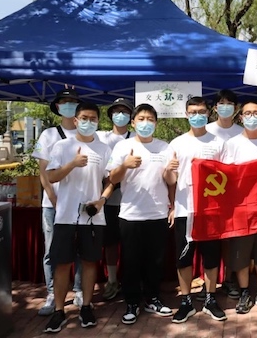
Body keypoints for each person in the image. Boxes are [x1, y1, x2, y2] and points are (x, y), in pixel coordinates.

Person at [43, 102, 113, 333]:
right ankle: (59, 311)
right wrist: (72, 164)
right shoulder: (62, 146)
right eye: (84, 118)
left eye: (93, 119)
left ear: (98, 122)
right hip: (65, 215)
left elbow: (110, 181)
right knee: (62, 263)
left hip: (92, 217)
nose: (88, 122)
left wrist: (102, 200)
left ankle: (86, 306)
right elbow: (52, 177)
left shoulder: (104, 149)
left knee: (90, 262)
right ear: (75, 120)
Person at [108, 103, 174, 325]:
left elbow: (170, 181)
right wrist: (125, 166)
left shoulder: (164, 147)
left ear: (156, 123)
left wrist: (172, 205)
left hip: (157, 213)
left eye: (150, 119)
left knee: (155, 261)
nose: (146, 123)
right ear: (133, 123)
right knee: (131, 260)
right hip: (131, 214)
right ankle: (132, 302)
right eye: (142, 119)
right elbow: (112, 179)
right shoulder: (122, 147)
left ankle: (153, 298)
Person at [165, 97, 228, 323]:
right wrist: (169, 173)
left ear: (208, 113)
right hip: (185, 210)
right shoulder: (177, 143)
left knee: (211, 257)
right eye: (193, 112)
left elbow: (228, 176)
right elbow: (170, 180)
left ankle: (210, 299)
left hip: (211, 211)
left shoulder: (218, 143)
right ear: (186, 114)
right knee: (184, 258)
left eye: (201, 112)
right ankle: (186, 301)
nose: (197, 115)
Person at [221, 101, 257, 314]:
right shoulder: (232, 144)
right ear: (241, 117)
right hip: (241, 208)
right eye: (247, 113)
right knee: (241, 252)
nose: (251, 117)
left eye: (256, 113)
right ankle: (245, 292)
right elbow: (226, 175)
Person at [32, 87, 83, 316]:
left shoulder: (88, 133)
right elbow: (43, 170)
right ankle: (52, 293)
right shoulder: (48, 134)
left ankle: (79, 289)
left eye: (73, 101)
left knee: (81, 249)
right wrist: (52, 197)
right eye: (65, 101)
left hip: (79, 203)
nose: (69, 105)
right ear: (57, 106)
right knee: (52, 250)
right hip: (52, 204)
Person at [205, 89, 243, 299]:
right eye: (221, 103)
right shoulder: (206, 130)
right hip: (209, 194)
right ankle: (207, 282)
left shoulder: (242, 132)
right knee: (208, 239)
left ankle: (229, 278)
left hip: (234, 195)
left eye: (230, 103)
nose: (225, 106)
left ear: (236, 109)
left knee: (230, 239)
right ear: (214, 107)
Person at [95, 98, 134, 300]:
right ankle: (112, 280)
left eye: (125, 112)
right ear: (110, 115)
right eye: (117, 111)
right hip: (108, 199)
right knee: (110, 243)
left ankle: (132, 280)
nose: (120, 115)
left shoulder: (136, 137)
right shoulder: (101, 137)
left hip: (132, 200)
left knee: (131, 244)